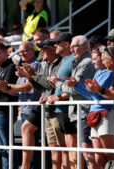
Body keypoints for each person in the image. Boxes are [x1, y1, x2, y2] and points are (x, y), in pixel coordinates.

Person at [63, 45, 114, 168]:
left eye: (94, 59)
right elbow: (91, 96)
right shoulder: (98, 73)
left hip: (105, 114)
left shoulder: (110, 73)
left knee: (111, 154)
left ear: (102, 58)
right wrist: (75, 85)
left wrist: (78, 85)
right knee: (98, 155)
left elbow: (96, 95)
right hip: (94, 115)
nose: (92, 62)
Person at [48, 35, 97, 169]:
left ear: (85, 47)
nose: (72, 49)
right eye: (71, 47)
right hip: (78, 111)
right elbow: (73, 88)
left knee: (86, 148)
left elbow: (75, 89)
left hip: (85, 110)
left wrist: (58, 84)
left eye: (75, 46)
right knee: (84, 148)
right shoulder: (78, 62)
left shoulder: (86, 62)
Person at [0, 41, 42, 169]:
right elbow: (17, 91)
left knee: (32, 148)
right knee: (26, 146)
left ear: (32, 50)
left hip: (33, 109)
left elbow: (26, 88)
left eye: (25, 50)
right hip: (24, 109)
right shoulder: (23, 66)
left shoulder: (35, 65)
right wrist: (4, 88)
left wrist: (7, 86)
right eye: (20, 52)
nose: (22, 53)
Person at [18, 39, 65, 169]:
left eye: (44, 49)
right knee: (53, 146)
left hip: (57, 108)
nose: (42, 52)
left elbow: (50, 84)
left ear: (53, 49)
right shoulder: (44, 63)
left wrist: (33, 75)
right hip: (46, 107)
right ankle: (25, 166)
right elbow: (40, 87)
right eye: (41, 49)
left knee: (61, 146)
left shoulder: (61, 63)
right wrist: (29, 76)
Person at [46, 32, 77, 169]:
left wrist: (58, 97)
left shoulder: (73, 60)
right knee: (67, 145)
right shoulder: (65, 60)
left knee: (72, 145)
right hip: (60, 109)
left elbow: (75, 86)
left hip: (68, 109)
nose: (55, 45)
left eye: (57, 43)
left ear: (67, 44)